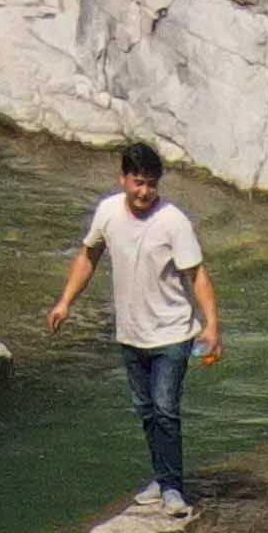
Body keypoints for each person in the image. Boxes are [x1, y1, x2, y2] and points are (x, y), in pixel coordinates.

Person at [47, 148, 217, 503]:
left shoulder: (173, 221)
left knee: (165, 408)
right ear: (123, 179)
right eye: (138, 183)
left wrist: (211, 325)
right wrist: (65, 301)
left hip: (173, 332)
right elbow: (88, 255)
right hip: (131, 333)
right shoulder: (108, 212)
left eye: (151, 185)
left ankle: (173, 488)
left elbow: (197, 274)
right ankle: (161, 476)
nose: (144, 191)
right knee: (145, 410)